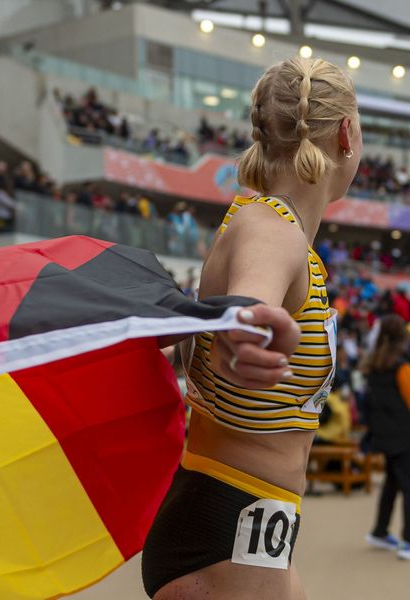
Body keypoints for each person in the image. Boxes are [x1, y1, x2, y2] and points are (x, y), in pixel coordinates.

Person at [142, 57, 362, 599]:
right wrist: (245, 331)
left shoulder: (265, 225)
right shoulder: (272, 230)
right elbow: (250, 302)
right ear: (347, 134)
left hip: (243, 522)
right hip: (228, 525)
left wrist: (241, 328)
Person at [363, 315, 410, 560]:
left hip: (384, 435)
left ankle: (380, 531)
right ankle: (408, 541)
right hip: (404, 436)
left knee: (392, 483)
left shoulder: (372, 367)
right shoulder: (401, 368)